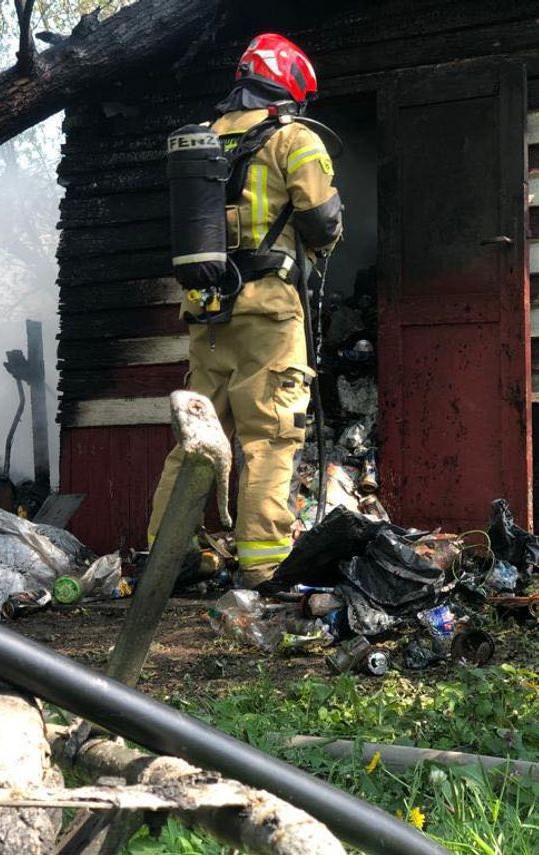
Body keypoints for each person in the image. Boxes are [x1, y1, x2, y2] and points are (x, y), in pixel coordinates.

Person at [147, 33, 343, 589]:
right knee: (270, 436)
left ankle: (167, 558)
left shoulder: (203, 140)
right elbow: (323, 222)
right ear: (290, 86)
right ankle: (264, 564)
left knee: (197, 442)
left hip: (207, 313)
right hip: (269, 315)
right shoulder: (294, 138)